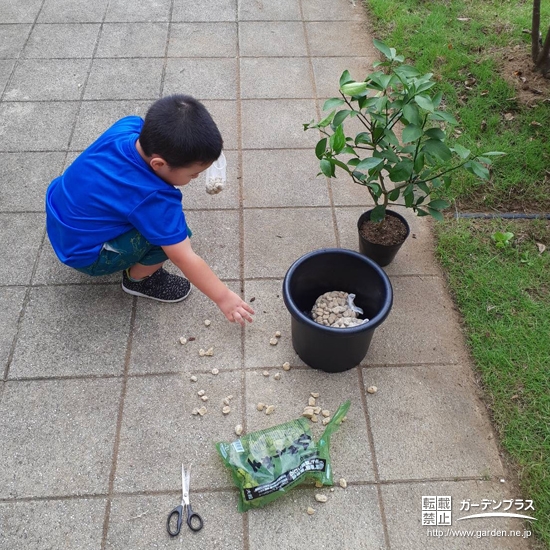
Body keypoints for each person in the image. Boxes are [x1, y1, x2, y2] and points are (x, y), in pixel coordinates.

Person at [45, 94, 254, 325]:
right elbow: (184, 257)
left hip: (60, 215)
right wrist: (224, 298)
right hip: (83, 254)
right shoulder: (155, 198)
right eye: (193, 173)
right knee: (173, 236)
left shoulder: (129, 127)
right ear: (159, 164)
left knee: (144, 217)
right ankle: (139, 280)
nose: (196, 177)